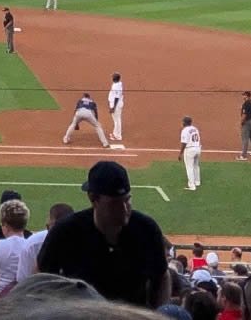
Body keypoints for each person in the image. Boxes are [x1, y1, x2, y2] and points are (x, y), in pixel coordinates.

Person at [36, 161, 170, 307]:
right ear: (93, 199)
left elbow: (162, 276)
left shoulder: (147, 229)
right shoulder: (66, 232)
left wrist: (158, 312)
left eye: (127, 200)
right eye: (115, 203)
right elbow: (40, 277)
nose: (125, 209)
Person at [180, 116, 203, 190]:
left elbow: (184, 142)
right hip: (197, 148)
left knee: (189, 167)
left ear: (184, 122)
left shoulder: (185, 130)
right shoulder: (195, 128)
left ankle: (191, 185)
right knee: (196, 166)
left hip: (190, 150)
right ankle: (197, 181)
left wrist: (181, 153)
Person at [108, 72, 125, 142]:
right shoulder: (119, 83)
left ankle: (117, 136)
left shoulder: (116, 86)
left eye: (113, 77)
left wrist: (113, 107)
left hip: (116, 104)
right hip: (118, 103)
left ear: (114, 78)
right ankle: (117, 134)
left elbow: (116, 97)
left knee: (116, 120)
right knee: (118, 119)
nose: (112, 78)